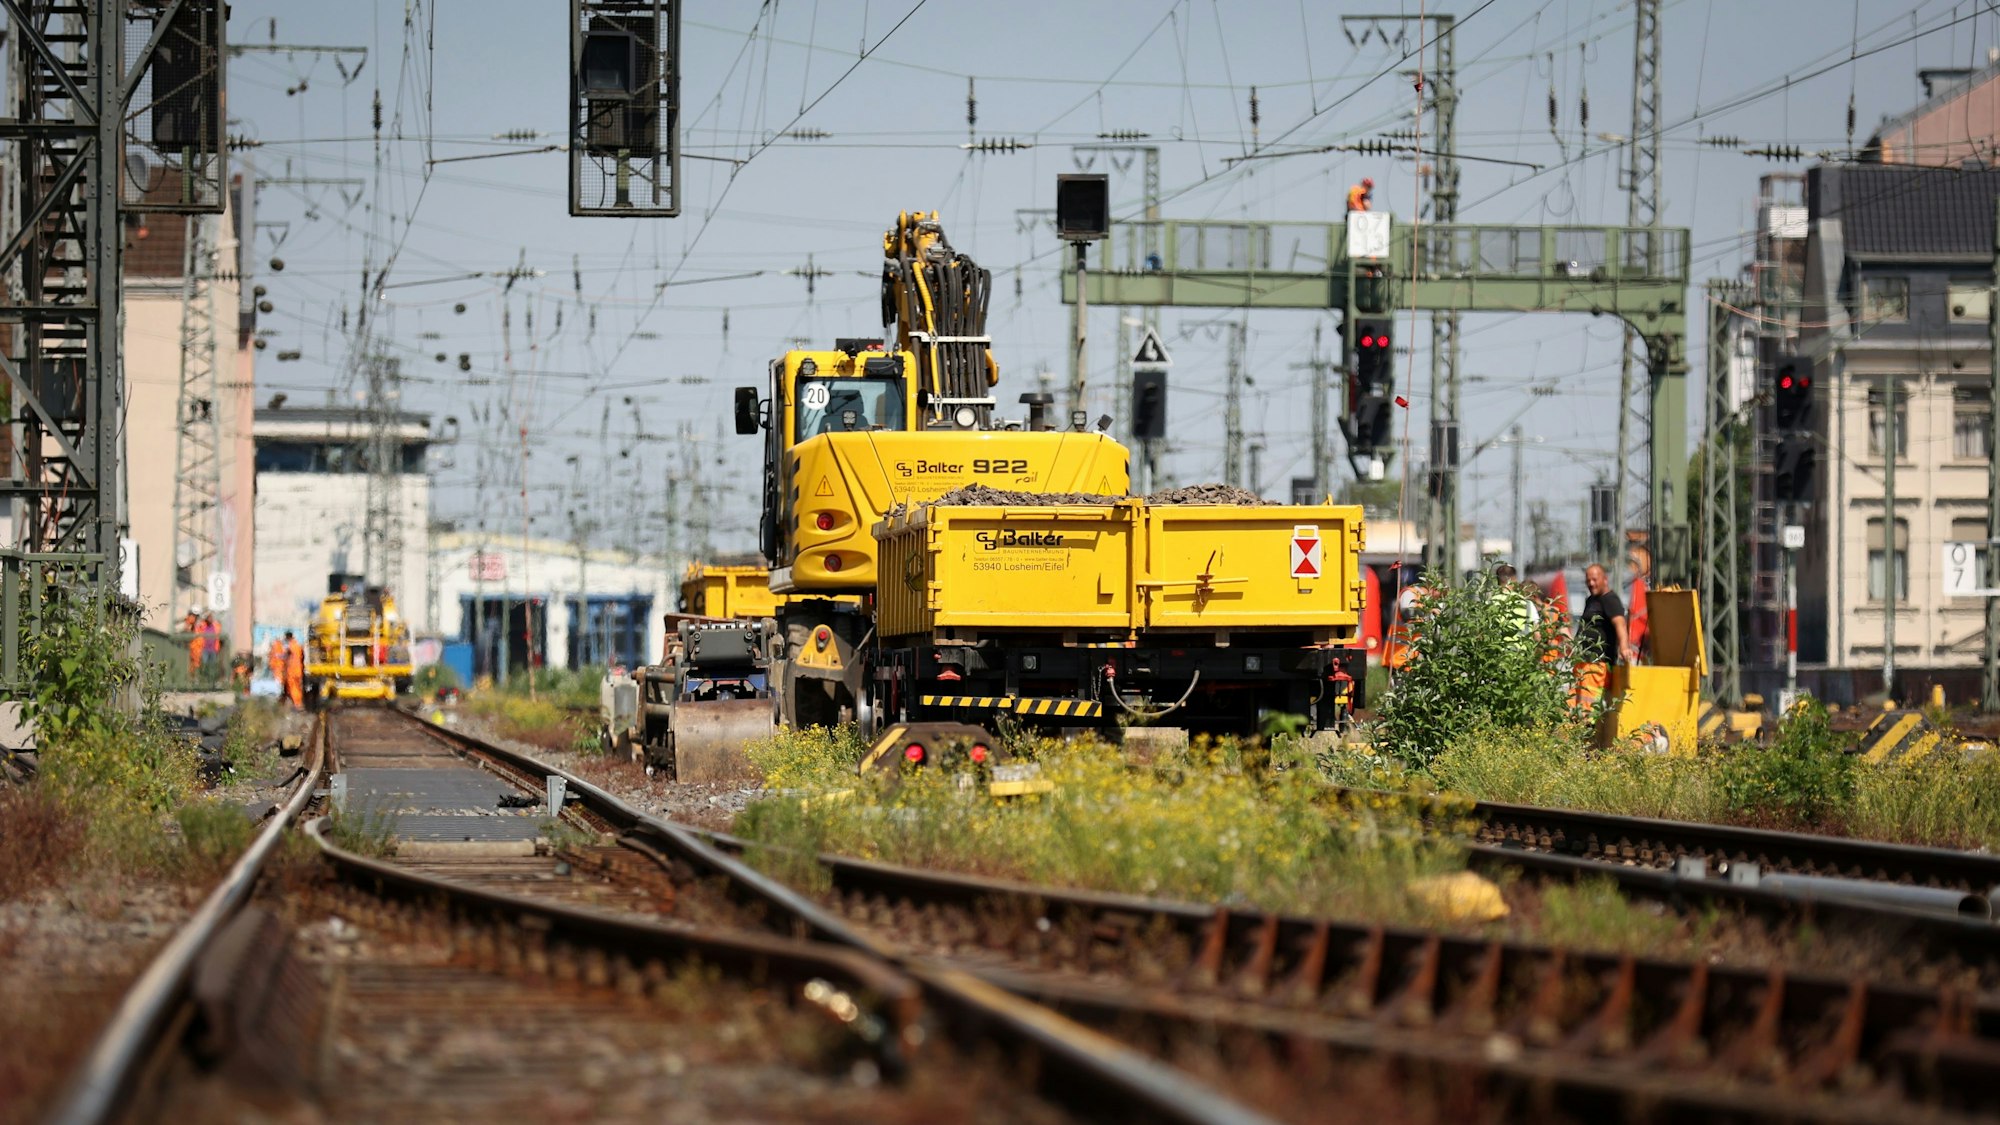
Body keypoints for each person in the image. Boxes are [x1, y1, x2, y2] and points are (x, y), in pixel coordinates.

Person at [1576, 563, 1636, 707]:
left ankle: (1588, 728)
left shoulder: (1610, 599)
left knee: (1589, 708)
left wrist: (1624, 647)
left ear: (1605, 579)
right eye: (1588, 580)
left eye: (1595, 579)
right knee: (1578, 707)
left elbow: (1620, 624)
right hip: (1584, 662)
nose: (1591, 583)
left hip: (1597, 663)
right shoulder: (1591, 600)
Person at [282, 630, 305, 710]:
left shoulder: (290, 646)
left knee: (293, 687)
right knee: (298, 687)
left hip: (292, 671)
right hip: (299, 670)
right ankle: (299, 702)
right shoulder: (298, 645)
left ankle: (297, 704)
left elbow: (286, 656)